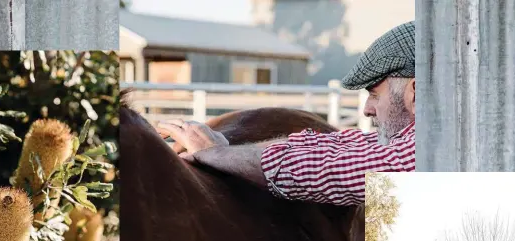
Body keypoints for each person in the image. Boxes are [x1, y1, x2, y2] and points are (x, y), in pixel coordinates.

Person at [157, 21, 415, 206]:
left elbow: (336, 172)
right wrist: (229, 148)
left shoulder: (430, 151)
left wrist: (218, 154)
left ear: (415, 92)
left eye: (374, 94)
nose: (367, 109)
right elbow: (344, 143)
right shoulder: (423, 137)